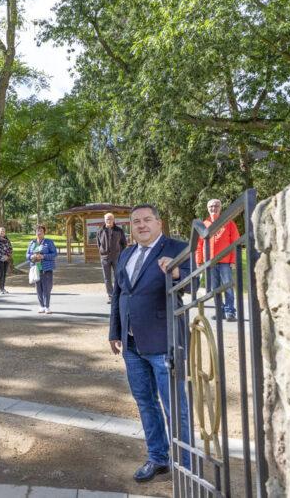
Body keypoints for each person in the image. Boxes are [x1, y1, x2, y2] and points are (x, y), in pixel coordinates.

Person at [108, 204, 191, 482]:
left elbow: (199, 280)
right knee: (145, 403)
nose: (141, 225)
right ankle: (158, 458)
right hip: (132, 345)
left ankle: (186, 465)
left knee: (174, 405)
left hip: (164, 341)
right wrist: (114, 331)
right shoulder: (127, 253)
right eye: (135, 222)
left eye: (146, 220)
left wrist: (178, 273)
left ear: (159, 222)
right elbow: (120, 294)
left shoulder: (176, 247)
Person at [195, 199, 240, 322]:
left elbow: (235, 242)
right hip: (210, 262)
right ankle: (219, 311)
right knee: (214, 288)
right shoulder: (204, 224)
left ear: (220, 208)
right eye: (211, 206)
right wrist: (199, 260)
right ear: (207, 208)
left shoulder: (229, 222)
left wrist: (233, 260)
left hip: (225, 261)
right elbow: (199, 245)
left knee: (228, 287)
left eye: (216, 206)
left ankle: (230, 311)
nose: (213, 208)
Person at [26, 224, 58, 314]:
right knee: (38, 289)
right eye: (37, 231)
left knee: (47, 288)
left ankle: (47, 307)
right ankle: (41, 306)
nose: (39, 233)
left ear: (44, 233)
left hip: (46, 269)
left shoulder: (49, 242)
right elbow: (27, 255)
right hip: (36, 269)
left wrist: (43, 256)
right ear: (35, 232)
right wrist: (32, 256)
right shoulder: (32, 243)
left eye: (41, 231)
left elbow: (54, 254)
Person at [97, 213, 127, 304]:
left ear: (114, 220)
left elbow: (123, 243)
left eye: (110, 219)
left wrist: (120, 253)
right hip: (105, 258)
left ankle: (118, 295)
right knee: (107, 278)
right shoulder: (100, 231)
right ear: (104, 220)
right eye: (107, 219)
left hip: (116, 257)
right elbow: (99, 244)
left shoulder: (119, 231)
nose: (108, 221)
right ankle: (111, 296)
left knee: (118, 276)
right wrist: (102, 252)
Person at [0, 227, 13, 294]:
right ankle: (0, 289)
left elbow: (10, 248)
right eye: (1, 231)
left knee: (4, 274)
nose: (2, 232)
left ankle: (3, 288)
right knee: (1, 273)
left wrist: (8, 256)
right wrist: (3, 256)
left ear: (5, 232)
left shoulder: (7, 239)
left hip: (6, 259)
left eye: (3, 231)